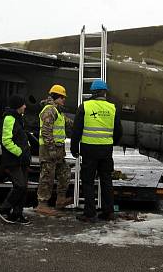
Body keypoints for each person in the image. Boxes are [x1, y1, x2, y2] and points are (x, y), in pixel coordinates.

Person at [70, 79, 122, 222]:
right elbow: (119, 131)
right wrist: (112, 143)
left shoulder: (85, 106)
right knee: (106, 180)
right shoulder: (112, 108)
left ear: (93, 92)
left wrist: (74, 148)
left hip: (89, 149)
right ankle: (109, 212)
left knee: (87, 181)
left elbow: (76, 130)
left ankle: (90, 213)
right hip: (106, 150)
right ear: (105, 92)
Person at [35, 84, 72, 216]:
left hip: (58, 149)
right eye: (62, 97)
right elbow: (46, 131)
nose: (64, 100)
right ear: (56, 97)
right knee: (47, 177)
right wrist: (51, 149)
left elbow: (68, 123)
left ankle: (60, 199)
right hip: (49, 149)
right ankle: (42, 204)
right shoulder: (49, 110)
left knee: (64, 172)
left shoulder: (57, 111)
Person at [0, 94, 32, 225]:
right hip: (13, 160)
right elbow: (6, 140)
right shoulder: (9, 118)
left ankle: (17, 214)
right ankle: (4, 209)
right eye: (23, 104)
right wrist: (20, 152)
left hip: (21, 160)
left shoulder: (18, 118)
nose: (25, 106)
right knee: (20, 185)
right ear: (18, 106)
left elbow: (21, 138)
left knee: (24, 187)